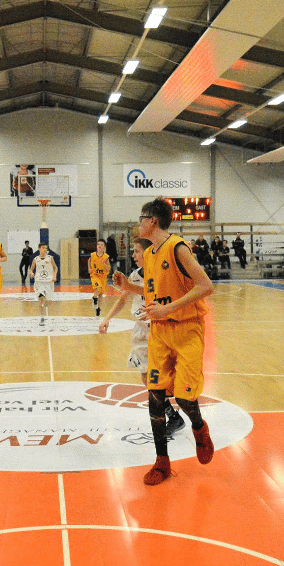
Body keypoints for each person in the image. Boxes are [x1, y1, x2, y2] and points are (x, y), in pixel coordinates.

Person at [113, 199, 215, 485]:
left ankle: (198, 427)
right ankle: (161, 462)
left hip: (187, 330)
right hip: (159, 333)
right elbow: (151, 296)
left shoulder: (177, 248)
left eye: (141, 217)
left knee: (184, 397)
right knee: (155, 398)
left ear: (153, 221)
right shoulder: (150, 255)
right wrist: (128, 287)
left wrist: (168, 309)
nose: (138, 222)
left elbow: (206, 286)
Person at [100, 237, 186, 438]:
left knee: (159, 375)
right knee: (145, 375)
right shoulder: (135, 275)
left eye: (137, 251)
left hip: (159, 330)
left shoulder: (162, 276)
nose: (133, 255)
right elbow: (123, 298)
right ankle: (171, 415)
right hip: (141, 331)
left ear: (148, 253)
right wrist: (107, 318)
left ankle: (173, 414)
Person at [30, 242, 57, 326]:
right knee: (41, 299)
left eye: (46, 248)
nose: (45, 249)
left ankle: (45, 303)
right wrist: (31, 273)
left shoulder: (50, 258)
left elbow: (55, 268)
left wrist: (54, 276)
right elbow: (31, 269)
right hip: (39, 281)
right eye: (43, 248)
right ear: (39, 248)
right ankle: (42, 318)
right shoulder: (36, 259)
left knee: (48, 301)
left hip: (48, 282)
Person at [88, 239, 111, 317]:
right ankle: (94, 298)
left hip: (103, 277)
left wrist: (105, 265)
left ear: (104, 247)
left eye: (101, 244)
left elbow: (109, 269)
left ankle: (98, 308)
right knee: (98, 288)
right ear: (96, 246)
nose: (100, 246)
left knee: (101, 294)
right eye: (98, 244)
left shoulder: (106, 257)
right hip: (95, 275)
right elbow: (89, 260)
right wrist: (89, 268)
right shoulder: (93, 255)